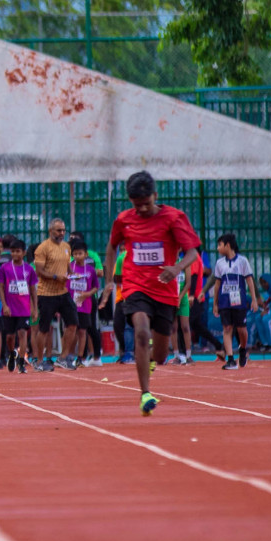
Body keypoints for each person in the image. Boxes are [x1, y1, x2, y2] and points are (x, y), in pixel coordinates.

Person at [98, 170, 202, 415]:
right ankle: (145, 394)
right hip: (136, 286)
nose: (142, 210)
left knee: (162, 354)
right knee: (141, 332)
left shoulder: (174, 218)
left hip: (164, 290)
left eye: (147, 204)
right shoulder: (124, 220)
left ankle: (153, 359)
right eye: (137, 205)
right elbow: (112, 246)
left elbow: (192, 253)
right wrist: (110, 280)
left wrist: (176, 268)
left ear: (156, 195)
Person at [206, 233, 260, 371]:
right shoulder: (219, 264)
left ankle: (242, 348)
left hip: (239, 301)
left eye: (220, 245)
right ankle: (230, 359)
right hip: (225, 302)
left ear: (228, 245)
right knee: (227, 329)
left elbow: (249, 280)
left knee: (241, 329)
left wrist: (254, 300)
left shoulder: (242, 261)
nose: (218, 248)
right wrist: (215, 304)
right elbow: (217, 284)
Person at [32, 220, 78, 372]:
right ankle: (39, 361)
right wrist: (54, 277)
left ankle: (63, 358)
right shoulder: (43, 248)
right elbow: (39, 271)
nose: (62, 233)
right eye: (58, 230)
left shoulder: (66, 247)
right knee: (44, 328)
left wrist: (73, 274)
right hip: (47, 293)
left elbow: (68, 267)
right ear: (50, 230)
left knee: (73, 323)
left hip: (63, 292)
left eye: (63, 230)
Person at [0, 240, 35, 372]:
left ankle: (21, 363)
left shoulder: (29, 269)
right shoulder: (5, 268)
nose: (15, 254)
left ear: (24, 253)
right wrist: (4, 305)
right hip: (9, 309)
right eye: (12, 251)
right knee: (10, 337)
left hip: (24, 309)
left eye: (18, 251)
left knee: (23, 333)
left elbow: (33, 289)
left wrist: (34, 308)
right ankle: (12, 354)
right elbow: (0, 287)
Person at [63, 236, 100, 367]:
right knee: (70, 330)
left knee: (83, 331)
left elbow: (96, 286)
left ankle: (80, 358)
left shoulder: (90, 270)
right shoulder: (69, 268)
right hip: (70, 305)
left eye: (80, 253)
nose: (78, 256)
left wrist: (87, 294)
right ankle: (67, 355)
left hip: (85, 305)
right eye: (75, 254)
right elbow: (64, 285)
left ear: (86, 254)